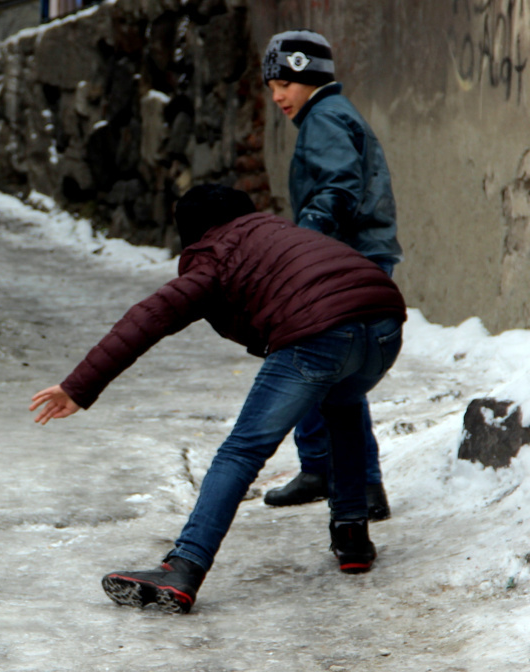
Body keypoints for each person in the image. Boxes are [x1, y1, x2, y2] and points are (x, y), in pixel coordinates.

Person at [29, 185, 405, 614]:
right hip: (384, 323)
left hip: (320, 334)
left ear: (191, 232)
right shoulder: (276, 233)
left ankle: (185, 566)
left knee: (242, 450)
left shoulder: (214, 257)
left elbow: (149, 317)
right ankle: (352, 533)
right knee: (343, 402)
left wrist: (78, 386)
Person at [261, 30, 402, 520]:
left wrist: (306, 245)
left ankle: (359, 486)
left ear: (309, 75)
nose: (277, 95)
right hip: (356, 257)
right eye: (271, 87)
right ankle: (326, 469)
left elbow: (340, 184)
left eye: (284, 83)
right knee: (329, 371)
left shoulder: (324, 118)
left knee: (334, 373)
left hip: (348, 261)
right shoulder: (330, 115)